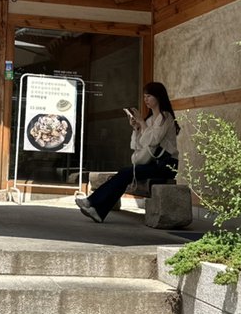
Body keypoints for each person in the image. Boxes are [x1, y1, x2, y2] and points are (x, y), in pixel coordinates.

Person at [75, 81, 180, 223]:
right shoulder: (150, 120)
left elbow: (153, 140)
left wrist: (142, 123)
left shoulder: (165, 117)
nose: (146, 100)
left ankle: (92, 203)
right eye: (144, 96)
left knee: (126, 173)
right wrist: (136, 128)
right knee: (125, 174)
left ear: (158, 97)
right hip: (152, 164)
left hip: (166, 165)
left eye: (149, 96)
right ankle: (98, 211)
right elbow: (138, 145)